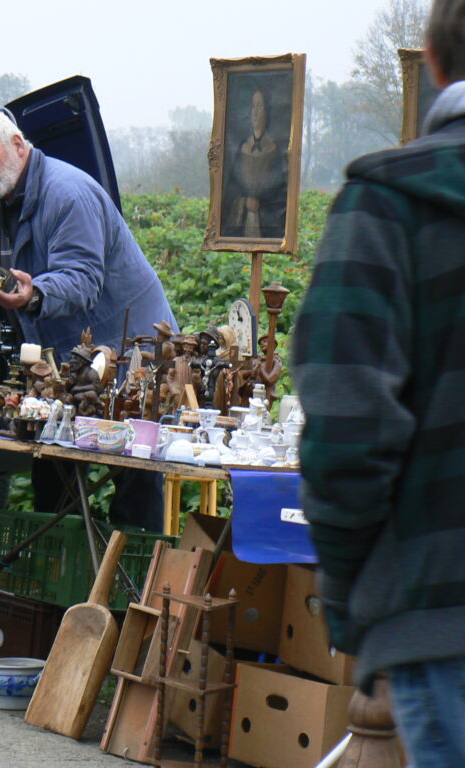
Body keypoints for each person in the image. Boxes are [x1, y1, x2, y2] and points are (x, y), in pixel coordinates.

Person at [291, 2, 465, 765]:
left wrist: (356, 600)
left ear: (431, 60)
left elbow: (348, 427)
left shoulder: (391, 203)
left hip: (444, 609)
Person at [0, 109, 176, 531]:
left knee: (135, 477)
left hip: (132, 354)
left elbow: (81, 280)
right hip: (68, 362)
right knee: (53, 474)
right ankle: (63, 586)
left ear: (18, 145)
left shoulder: (67, 193)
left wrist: (34, 293)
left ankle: (134, 586)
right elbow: (8, 295)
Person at [223, 87, 287, 240]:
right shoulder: (242, 149)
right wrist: (245, 202)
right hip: (241, 227)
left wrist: (261, 205)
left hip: (267, 228)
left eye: (260, 106)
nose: (255, 112)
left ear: (267, 111)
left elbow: (280, 195)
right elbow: (230, 191)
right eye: (253, 106)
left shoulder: (275, 151)